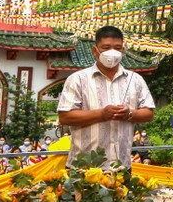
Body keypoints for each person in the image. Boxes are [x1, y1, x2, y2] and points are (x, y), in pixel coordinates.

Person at [57, 26, 155, 167]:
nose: (112, 52)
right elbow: (65, 117)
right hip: (83, 168)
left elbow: (149, 113)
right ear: (95, 51)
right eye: (106, 47)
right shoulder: (78, 79)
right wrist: (102, 114)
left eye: (117, 48)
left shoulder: (135, 80)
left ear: (123, 50)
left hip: (121, 166)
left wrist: (129, 113)